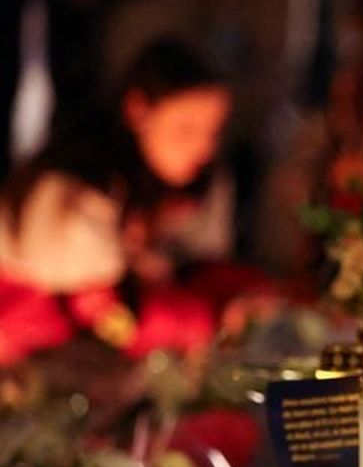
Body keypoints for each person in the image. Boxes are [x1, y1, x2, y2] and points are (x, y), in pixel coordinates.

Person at [0, 37, 232, 363]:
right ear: (138, 110)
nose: (203, 148)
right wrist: (206, 321)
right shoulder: (76, 199)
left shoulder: (161, 192)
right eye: (186, 129)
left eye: (213, 132)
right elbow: (110, 322)